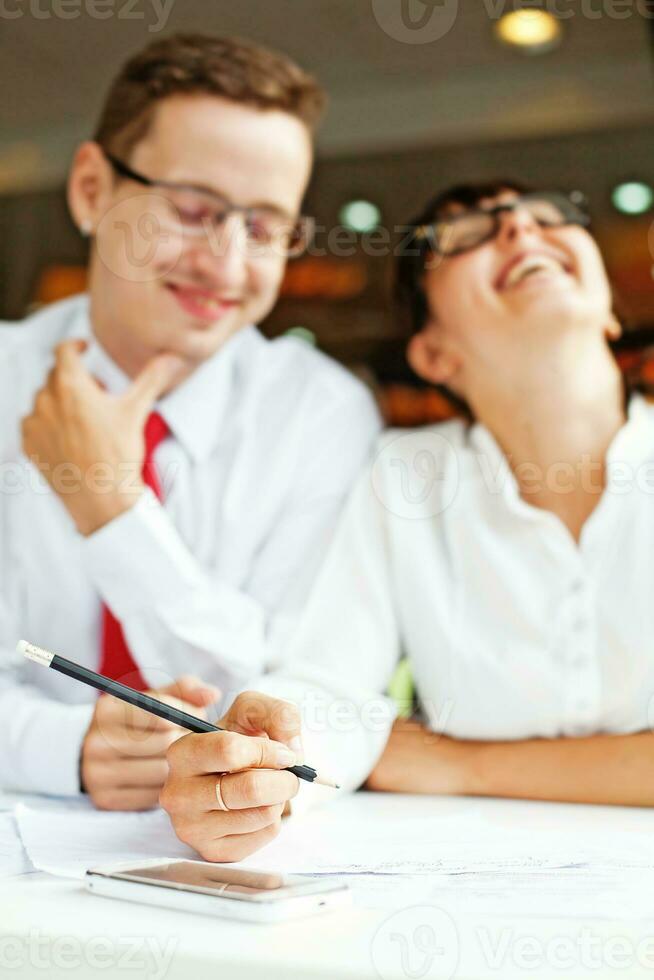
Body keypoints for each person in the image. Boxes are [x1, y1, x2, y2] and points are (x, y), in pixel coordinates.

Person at [161, 178, 654, 861]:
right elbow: (330, 686)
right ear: (433, 354)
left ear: (607, 313)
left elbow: (411, 756)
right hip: (482, 890)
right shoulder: (406, 478)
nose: (519, 228)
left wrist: (458, 764)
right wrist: (268, 765)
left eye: (547, 218)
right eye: (469, 236)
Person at [0, 33, 380, 812]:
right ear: (92, 189)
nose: (227, 265)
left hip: (237, 866)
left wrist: (110, 505)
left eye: (266, 227)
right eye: (193, 210)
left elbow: (291, 694)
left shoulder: (322, 413)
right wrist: (59, 747)